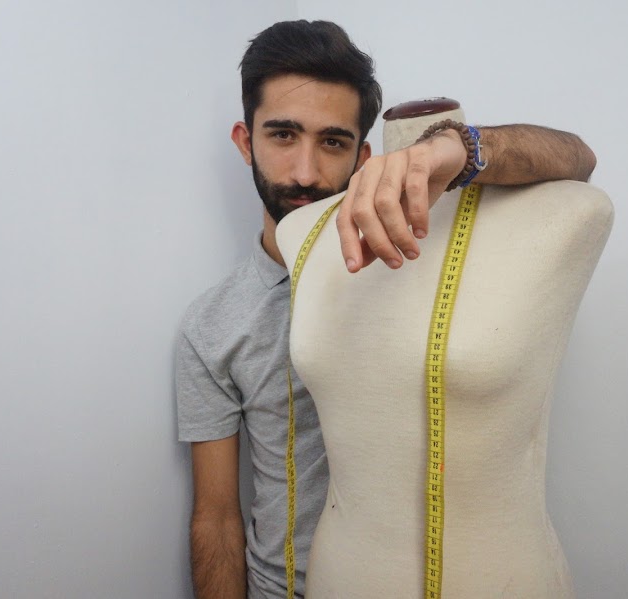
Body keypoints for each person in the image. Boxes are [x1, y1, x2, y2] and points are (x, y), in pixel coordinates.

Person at [175, 19, 597, 599]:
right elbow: (216, 518)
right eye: (283, 135)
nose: (305, 172)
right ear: (246, 141)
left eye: (333, 142)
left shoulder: (415, 264)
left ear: (363, 155)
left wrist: (460, 146)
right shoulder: (211, 326)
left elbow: (577, 159)